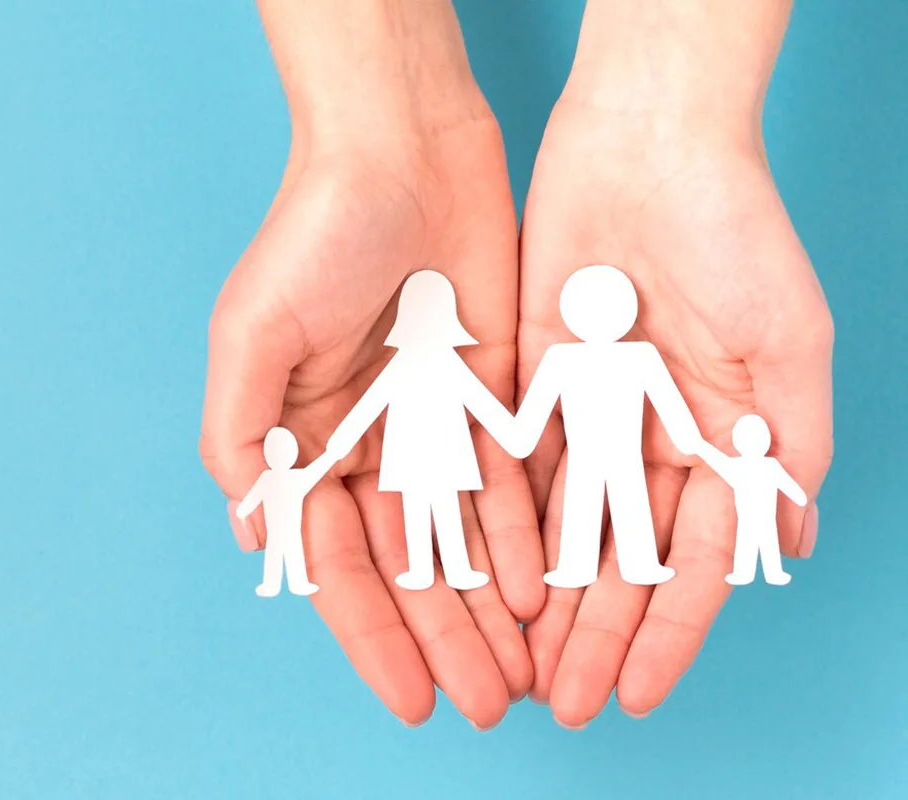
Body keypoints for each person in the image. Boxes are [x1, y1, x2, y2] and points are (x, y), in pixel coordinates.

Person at [201, 0, 833, 731]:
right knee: (541, 514)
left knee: (614, 513)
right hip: (472, 453)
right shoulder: (498, 364)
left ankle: (580, 560)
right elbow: (456, 413)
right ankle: (532, 562)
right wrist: (372, 125)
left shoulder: (620, 358)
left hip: (580, 452)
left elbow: (643, 409)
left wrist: (676, 109)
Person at [324, 270, 518, 591]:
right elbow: (372, 402)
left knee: (441, 508)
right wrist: (342, 438)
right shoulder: (415, 365)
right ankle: (426, 570)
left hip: (434, 450)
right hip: (418, 451)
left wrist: (509, 431)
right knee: (425, 508)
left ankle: (451, 569)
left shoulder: (439, 364)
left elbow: (478, 399)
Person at [511, 265, 704, 588]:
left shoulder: (636, 356)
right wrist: (516, 434)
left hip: (620, 452)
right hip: (588, 453)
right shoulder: (564, 358)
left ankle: (635, 564)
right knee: (588, 502)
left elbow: (666, 398)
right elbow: (535, 410)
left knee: (622, 500)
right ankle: (579, 567)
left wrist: (688, 436)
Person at [696, 415, 808, 586]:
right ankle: (747, 574)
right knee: (751, 544)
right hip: (749, 519)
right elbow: (717, 460)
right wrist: (701, 447)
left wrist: (799, 496)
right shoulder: (738, 466)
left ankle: (771, 574)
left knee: (766, 544)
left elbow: (786, 483)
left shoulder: (766, 465)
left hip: (764, 518)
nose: (753, 442)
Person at [236, 427, 335, 597]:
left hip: (289, 529)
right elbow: (254, 496)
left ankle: (295, 583)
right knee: (277, 553)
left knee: (289, 552)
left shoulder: (295, 477)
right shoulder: (273, 478)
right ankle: (273, 584)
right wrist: (244, 509)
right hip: (277, 529)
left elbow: (317, 470)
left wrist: (329, 456)